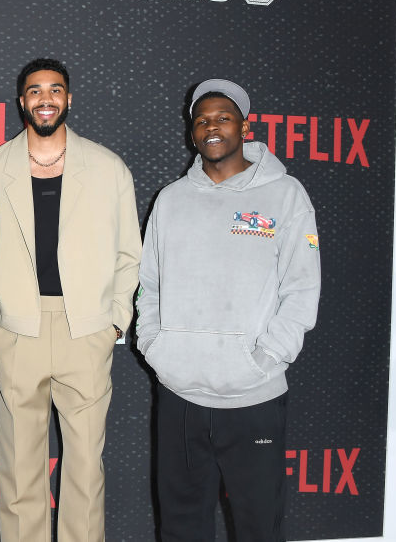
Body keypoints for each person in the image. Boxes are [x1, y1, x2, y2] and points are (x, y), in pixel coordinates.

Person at [136, 79, 321, 541]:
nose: (210, 127)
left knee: (259, 527)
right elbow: (149, 285)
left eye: (221, 117)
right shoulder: (172, 199)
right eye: (201, 120)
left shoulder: (286, 195)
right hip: (179, 396)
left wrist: (265, 358)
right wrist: (157, 348)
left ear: (243, 125)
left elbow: (302, 290)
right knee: (181, 527)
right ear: (191, 132)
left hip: (253, 397)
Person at [0, 58, 141, 542]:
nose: (45, 98)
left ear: (69, 98)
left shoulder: (109, 168)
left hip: (85, 328)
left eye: (55, 89)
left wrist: (113, 321)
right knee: (18, 470)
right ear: (21, 101)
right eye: (34, 91)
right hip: (16, 330)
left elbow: (130, 253)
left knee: (86, 470)